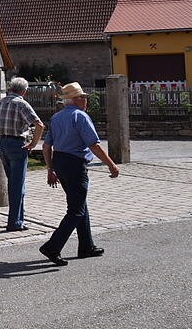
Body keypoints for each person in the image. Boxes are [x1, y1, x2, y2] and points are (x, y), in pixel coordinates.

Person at [39, 82, 120, 266]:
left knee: (79, 204)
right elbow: (93, 144)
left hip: (60, 161)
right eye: (83, 97)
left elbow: (46, 146)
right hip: (75, 164)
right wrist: (111, 165)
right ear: (75, 100)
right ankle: (53, 246)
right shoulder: (80, 116)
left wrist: (50, 169)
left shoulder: (57, 117)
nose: (85, 100)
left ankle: (86, 245)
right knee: (75, 211)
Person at [0, 76, 45, 231]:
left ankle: (19, 218)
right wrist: (33, 143)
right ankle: (14, 222)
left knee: (14, 182)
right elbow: (39, 125)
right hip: (17, 144)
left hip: (2, 143)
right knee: (17, 185)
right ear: (24, 91)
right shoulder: (22, 104)